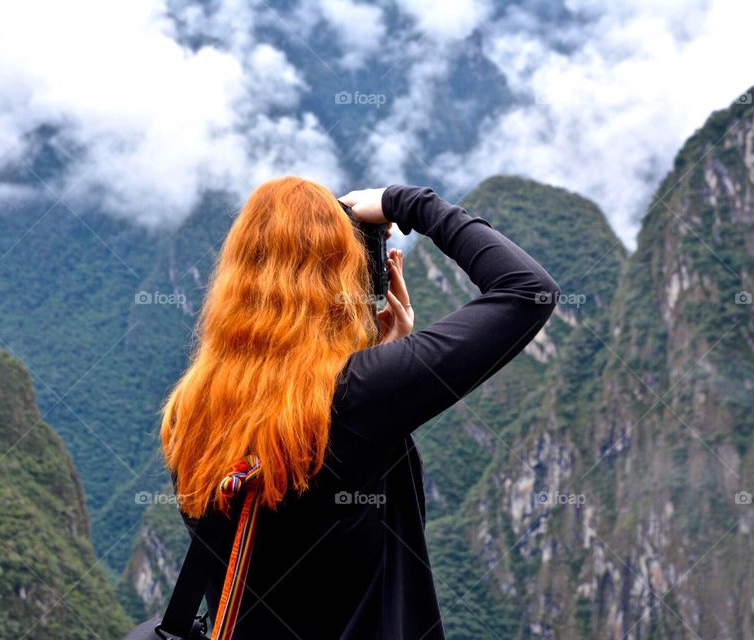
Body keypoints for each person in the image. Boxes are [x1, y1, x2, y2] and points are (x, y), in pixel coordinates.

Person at [159, 176, 560, 639]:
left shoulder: (188, 414)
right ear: (343, 277)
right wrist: (407, 203)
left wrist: (382, 358)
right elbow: (529, 291)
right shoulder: (357, 397)